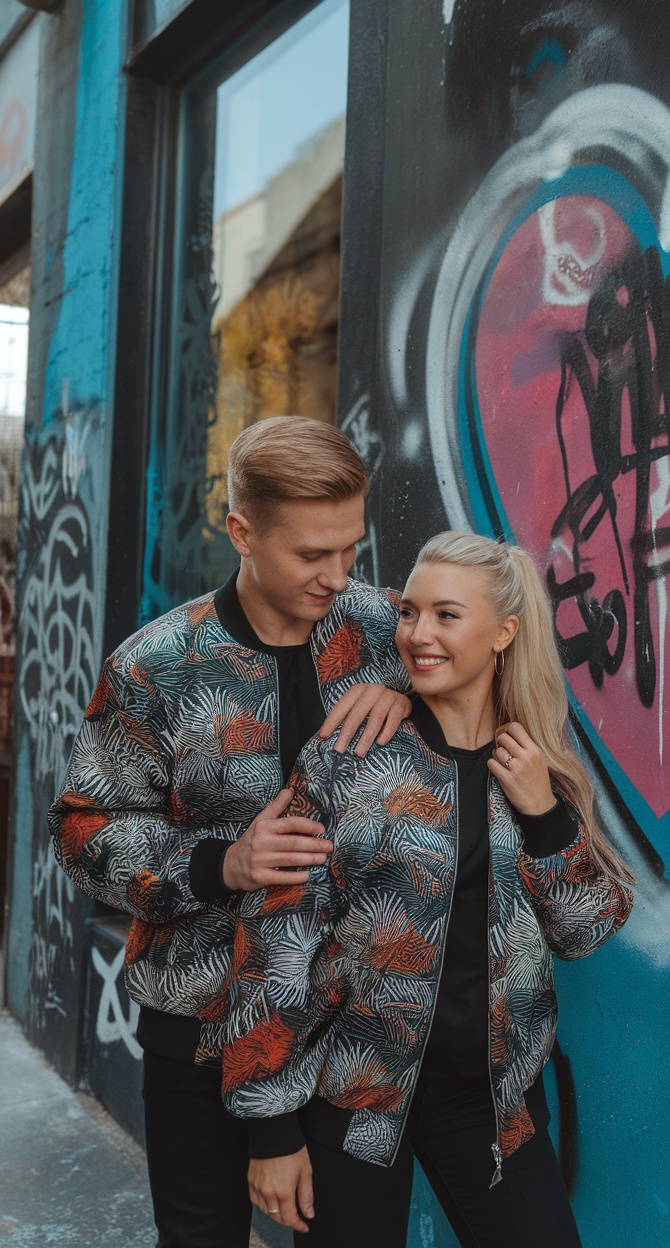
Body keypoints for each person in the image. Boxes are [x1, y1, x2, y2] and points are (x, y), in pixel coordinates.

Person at [49, 416, 412, 1248]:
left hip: (352, 1023)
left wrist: (412, 693)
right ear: (241, 531)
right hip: (198, 1021)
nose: (336, 576)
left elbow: (501, 670)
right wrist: (221, 863)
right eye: (310, 555)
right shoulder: (156, 664)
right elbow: (81, 828)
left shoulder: (389, 632)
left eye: (350, 549)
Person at [221, 531, 636, 1247]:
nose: (417, 634)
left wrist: (543, 816)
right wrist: (271, 1131)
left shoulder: (536, 764)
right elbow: (275, 940)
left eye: (447, 616)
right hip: (355, 1090)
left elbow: (583, 932)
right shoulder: (348, 756)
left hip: (493, 1102)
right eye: (410, 613)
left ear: (505, 631)